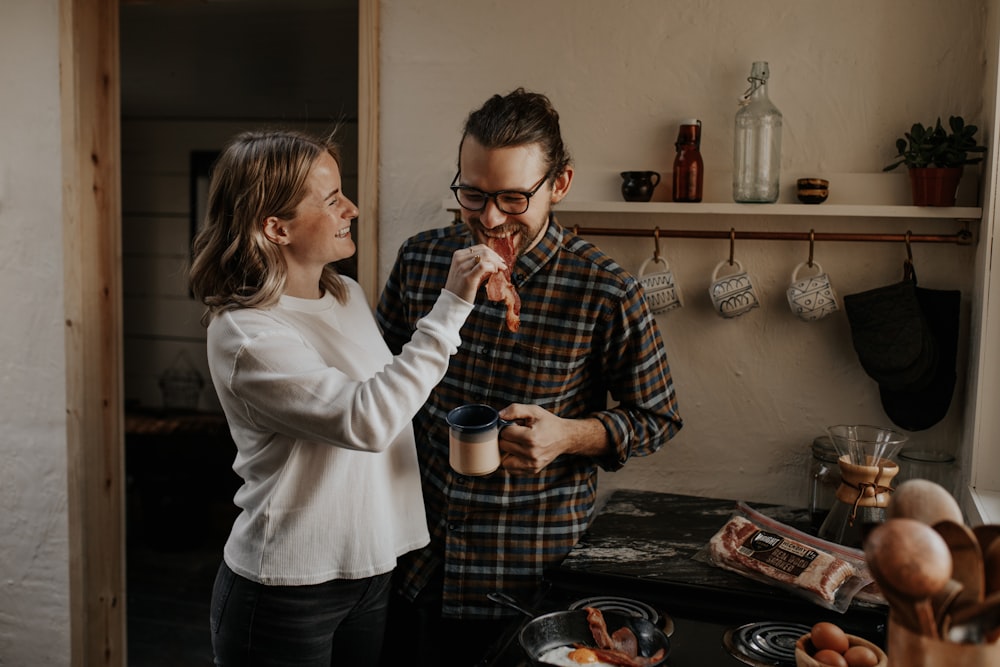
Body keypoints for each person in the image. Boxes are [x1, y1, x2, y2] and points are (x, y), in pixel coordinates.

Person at [376, 89, 683, 665]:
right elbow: (374, 387)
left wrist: (569, 435)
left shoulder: (605, 288)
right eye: (472, 193)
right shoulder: (420, 261)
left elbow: (658, 417)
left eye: (513, 197)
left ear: (559, 185)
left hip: (524, 586)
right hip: (412, 562)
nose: (490, 218)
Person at [188, 129, 507, 666]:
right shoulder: (246, 335)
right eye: (332, 198)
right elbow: (368, 421)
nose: (351, 209)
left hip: (371, 571)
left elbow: (390, 393)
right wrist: (452, 304)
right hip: (286, 589)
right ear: (276, 227)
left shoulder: (346, 293)